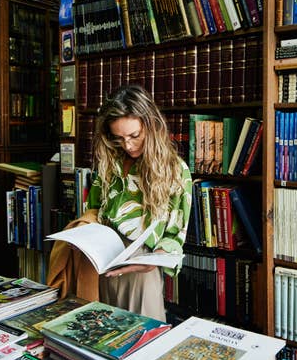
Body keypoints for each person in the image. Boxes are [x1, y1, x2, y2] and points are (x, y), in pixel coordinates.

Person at [47, 85, 192, 320]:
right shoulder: (109, 162)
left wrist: (152, 261)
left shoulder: (175, 170)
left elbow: (174, 235)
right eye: (119, 138)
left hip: (139, 269)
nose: (128, 145)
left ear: (151, 125)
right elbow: (93, 209)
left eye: (135, 136)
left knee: (142, 345)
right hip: (99, 264)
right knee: (97, 338)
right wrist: (82, 232)